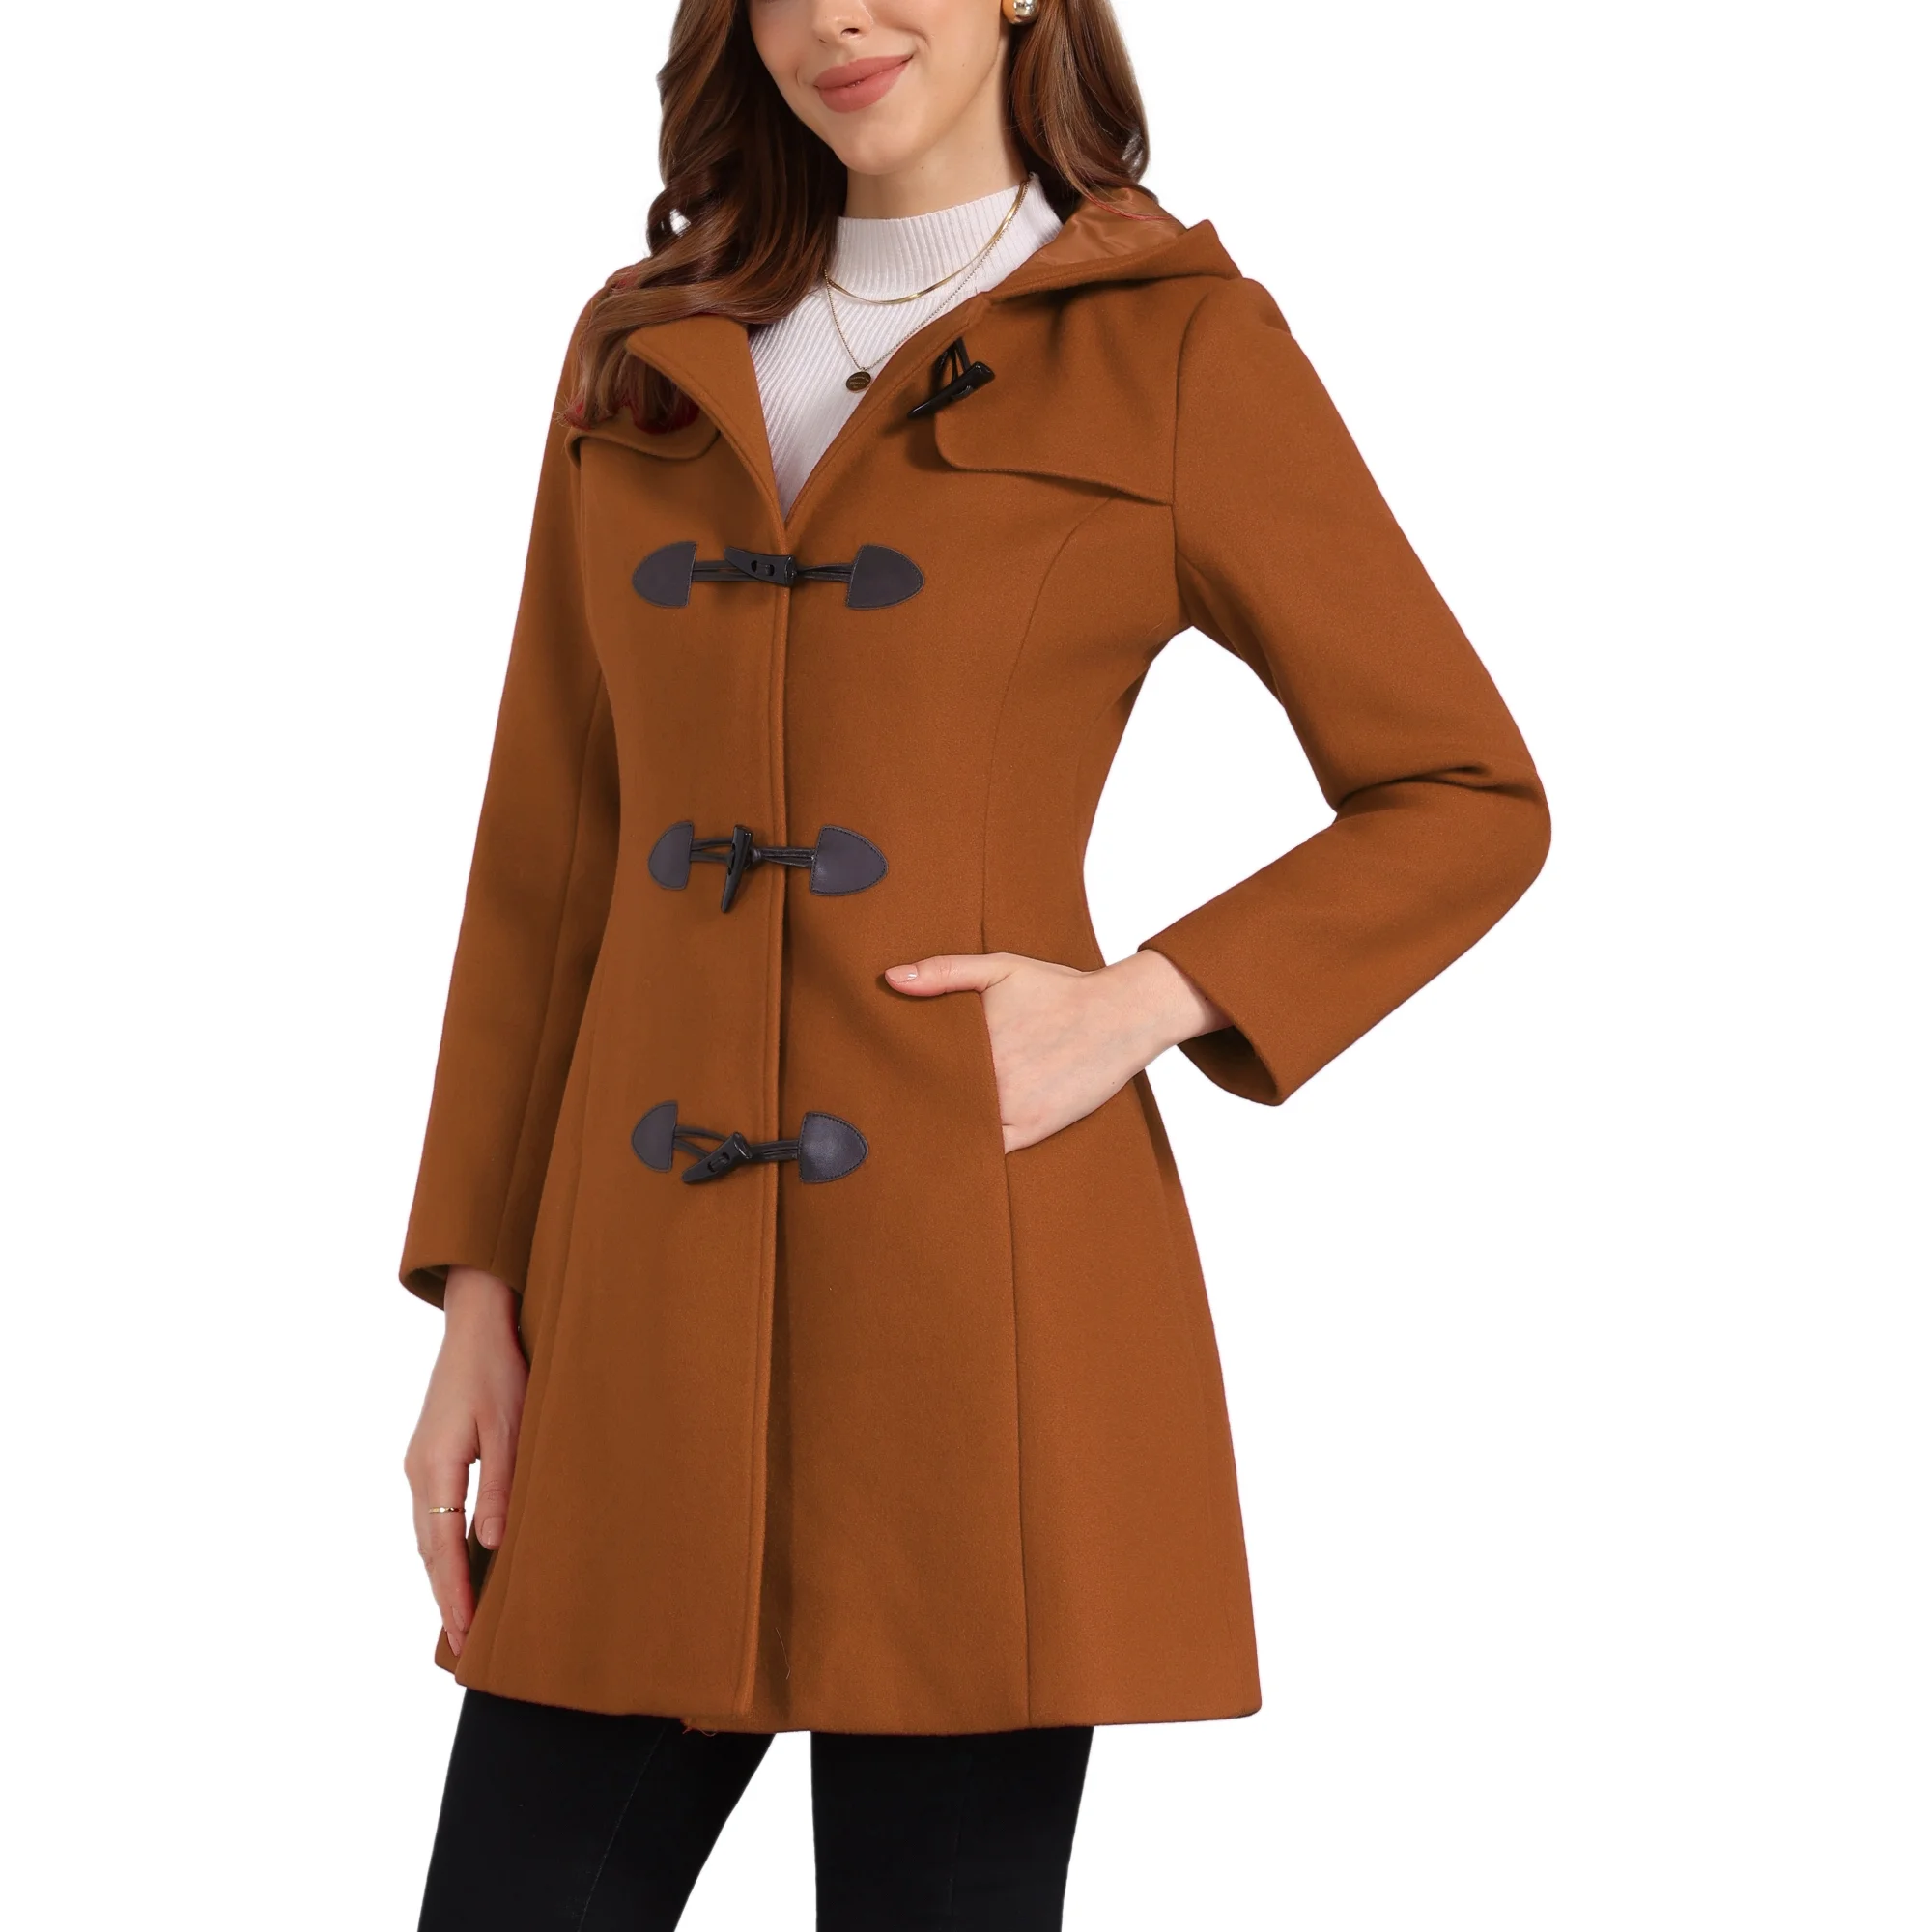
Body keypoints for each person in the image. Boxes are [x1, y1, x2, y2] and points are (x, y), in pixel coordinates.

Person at [400, 1, 1551, 1925]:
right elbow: (550, 856)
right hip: (636, 1332)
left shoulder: (1176, 348)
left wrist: (1142, 1004)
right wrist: (478, 1297)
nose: (834, 20)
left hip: (973, 1304)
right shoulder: (640, 348)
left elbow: (1463, 791)